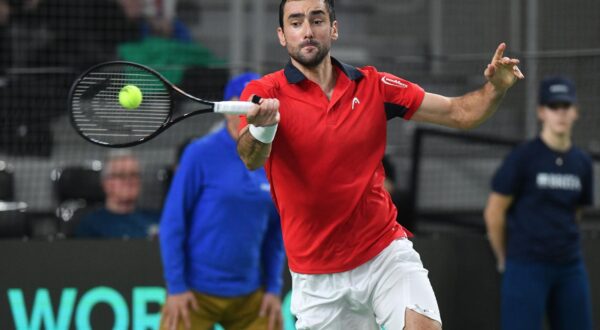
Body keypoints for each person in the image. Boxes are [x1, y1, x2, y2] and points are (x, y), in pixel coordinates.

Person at [236, 0, 524, 328]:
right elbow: (250, 157)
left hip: (383, 253)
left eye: (317, 20)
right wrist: (264, 127)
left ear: (333, 28)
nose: (307, 31)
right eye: (296, 22)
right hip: (317, 277)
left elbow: (460, 113)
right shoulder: (264, 91)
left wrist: (496, 88)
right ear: (282, 35)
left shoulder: (374, 86)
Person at [159, 73, 285, 330]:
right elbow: (173, 224)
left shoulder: (277, 158)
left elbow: (275, 231)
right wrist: (177, 288)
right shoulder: (199, 153)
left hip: (250, 296)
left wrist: (272, 288)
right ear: (229, 110)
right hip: (194, 294)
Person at [484, 76, 594, 330]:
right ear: (541, 112)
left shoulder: (582, 163)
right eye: (554, 107)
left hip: (569, 265)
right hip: (526, 265)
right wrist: (504, 258)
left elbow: (576, 210)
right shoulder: (523, 157)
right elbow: (494, 211)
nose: (561, 113)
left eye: (566, 106)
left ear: (575, 111)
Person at [75, 150, 159, 239]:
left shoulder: (157, 219)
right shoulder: (91, 225)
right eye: (121, 175)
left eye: (134, 174)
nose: (129, 181)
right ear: (106, 182)